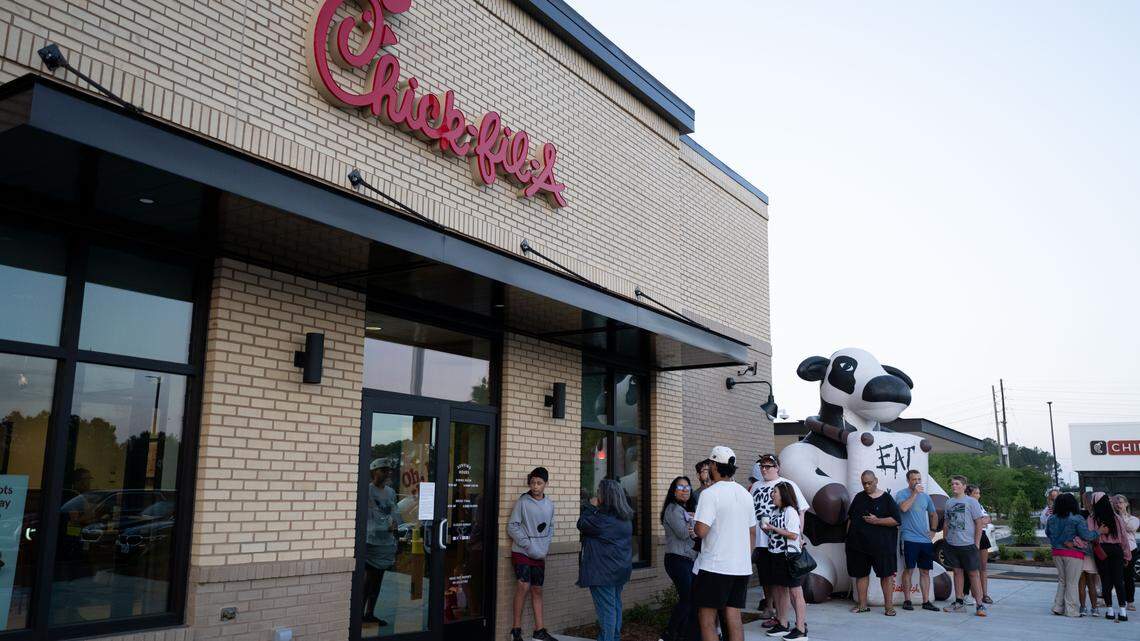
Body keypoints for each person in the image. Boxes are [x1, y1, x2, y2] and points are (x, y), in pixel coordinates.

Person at [691, 446, 757, 641]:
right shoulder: (745, 494)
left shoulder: (710, 494)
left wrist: (695, 525)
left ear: (713, 465)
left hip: (715, 566)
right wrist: (745, 556)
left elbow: (701, 531)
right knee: (733, 614)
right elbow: (752, 531)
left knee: (706, 617)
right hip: (741, 566)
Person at [750, 454, 808, 629]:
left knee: (787, 585)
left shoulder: (786, 485)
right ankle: (773, 611)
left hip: (783, 544)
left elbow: (801, 510)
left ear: (777, 467)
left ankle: (796, 623)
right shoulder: (755, 487)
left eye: (769, 466)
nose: (765, 469)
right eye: (762, 466)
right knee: (768, 578)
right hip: (763, 541)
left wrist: (799, 536)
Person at [578, 478, 634, 641]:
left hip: (602, 572)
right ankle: (614, 637)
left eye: (599, 493)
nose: (597, 495)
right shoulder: (624, 518)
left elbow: (581, 523)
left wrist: (590, 506)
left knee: (607, 612)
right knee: (614, 606)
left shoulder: (602, 520)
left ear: (606, 497)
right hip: (618, 570)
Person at [508, 467, 558, 641]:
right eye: (533, 482)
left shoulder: (550, 504)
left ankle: (539, 630)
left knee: (537, 589)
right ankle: (516, 630)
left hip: (540, 553)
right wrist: (528, 545)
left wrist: (544, 545)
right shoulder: (523, 502)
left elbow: (551, 527)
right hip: (522, 551)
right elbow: (512, 526)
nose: (535, 486)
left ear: (546, 484)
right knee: (523, 586)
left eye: (539, 483)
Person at [845, 470, 902, 616]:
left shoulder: (886, 498)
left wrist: (877, 520)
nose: (866, 486)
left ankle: (889, 607)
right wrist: (848, 538)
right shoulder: (859, 497)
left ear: (876, 480)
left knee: (887, 575)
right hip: (859, 546)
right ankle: (862, 605)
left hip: (882, 546)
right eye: (864, 483)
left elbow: (896, 520)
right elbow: (850, 518)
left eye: (869, 483)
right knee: (861, 574)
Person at [1046, 492, 1106, 617]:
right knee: (1072, 582)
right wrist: (1099, 531)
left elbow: (1048, 533)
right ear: (1073, 504)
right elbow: (1087, 536)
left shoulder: (1051, 518)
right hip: (1073, 554)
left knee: (1062, 581)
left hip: (1056, 552)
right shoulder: (1077, 518)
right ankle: (1071, 610)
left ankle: (1058, 607)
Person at [763, 482, 809, 640]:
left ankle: (801, 628)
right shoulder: (775, 510)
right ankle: (782, 624)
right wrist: (767, 529)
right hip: (775, 555)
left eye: (774, 492)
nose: (772, 495)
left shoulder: (790, 511)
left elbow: (793, 535)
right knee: (780, 590)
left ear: (783, 494)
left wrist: (773, 529)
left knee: (796, 592)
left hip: (789, 556)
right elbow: (774, 533)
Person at [941, 475, 987, 617]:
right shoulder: (949, 502)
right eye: (952, 484)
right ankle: (959, 602)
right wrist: (945, 540)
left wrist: (977, 543)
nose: (954, 486)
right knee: (957, 572)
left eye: (957, 484)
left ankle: (980, 605)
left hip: (968, 544)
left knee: (973, 574)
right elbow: (947, 523)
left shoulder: (972, 502)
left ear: (964, 486)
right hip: (952, 544)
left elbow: (979, 523)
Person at [894, 470, 940, 612]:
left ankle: (926, 601)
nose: (917, 481)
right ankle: (907, 600)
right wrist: (914, 494)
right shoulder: (902, 494)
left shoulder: (925, 497)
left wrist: (933, 530)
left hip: (924, 540)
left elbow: (933, 514)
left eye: (919, 479)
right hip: (909, 538)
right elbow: (903, 508)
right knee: (909, 569)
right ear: (909, 481)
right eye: (914, 479)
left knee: (925, 571)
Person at [362, 459, 400, 625]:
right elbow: (370, 515)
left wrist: (395, 524)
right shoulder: (367, 490)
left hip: (385, 542)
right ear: (374, 472)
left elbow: (394, 513)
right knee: (367, 580)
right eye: (383, 470)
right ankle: (359, 613)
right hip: (371, 543)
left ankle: (370, 612)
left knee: (377, 580)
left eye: (389, 471)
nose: (387, 473)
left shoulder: (391, 492)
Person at [660, 476, 697, 641]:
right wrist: (693, 520)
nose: (685, 491)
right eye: (680, 487)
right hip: (677, 559)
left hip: (687, 559)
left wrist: (690, 518)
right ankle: (668, 634)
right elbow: (683, 534)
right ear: (673, 491)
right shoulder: (673, 509)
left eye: (687, 487)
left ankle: (682, 633)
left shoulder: (683, 510)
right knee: (687, 598)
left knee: (689, 599)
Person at [1090, 491, 1133, 621]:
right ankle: (1123, 611)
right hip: (1116, 550)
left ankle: (1109, 610)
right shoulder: (1117, 518)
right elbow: (1124, 539)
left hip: (1101, 551)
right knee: (1119, 581)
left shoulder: (1092, 518)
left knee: (1106, 581)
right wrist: (1127, 556)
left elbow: (1089, 536)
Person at [963, 485, 993, 605]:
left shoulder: (979, 505)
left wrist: (980, 521)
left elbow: (988, 519)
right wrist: (980, 521)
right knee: (970, 568)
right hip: (970, 537)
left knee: (983, 567)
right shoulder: (966, 504)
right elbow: (976, 521)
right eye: (976, 493)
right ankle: (968, 594)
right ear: (969, 494)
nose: (978, 496)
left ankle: (984, 594)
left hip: (983, 536)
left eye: (979, 493)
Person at [1079, 491, 1102, 616]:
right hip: (1091, 552)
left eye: (1085, 500)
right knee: (1091, 582)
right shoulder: (1097, 515)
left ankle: (1083, 608)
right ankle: (1094, 608)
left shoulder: (1082, 515)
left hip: (1082, 551)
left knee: (1082, 582)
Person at [1113, 494, 1138, 613]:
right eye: (1116, 503)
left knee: (1128, 577)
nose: (1119, 505)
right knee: (1115, 576)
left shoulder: (1134, 519)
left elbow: (1129, 527)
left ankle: (1130, 601)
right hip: (1116, 549)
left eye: (1121, 502)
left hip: (1131, 549)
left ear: (1126, 504)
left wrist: (1121, 516)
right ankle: (1112, 600)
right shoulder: (1112, 518)